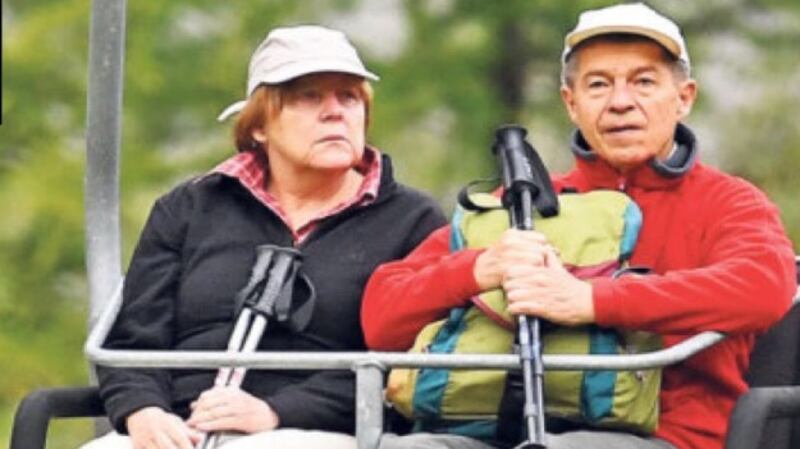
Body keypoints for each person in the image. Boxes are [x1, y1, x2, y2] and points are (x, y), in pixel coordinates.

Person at [361, 3, 797, 449]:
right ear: (571, 103)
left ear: (684, 97)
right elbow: (382, 316)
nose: (621, 102)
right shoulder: (516, 207)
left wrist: (589, 300)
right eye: (598, 85)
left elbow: (766, 285)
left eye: (644, 82)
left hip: (664, 436)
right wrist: (480, 269)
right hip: (495, 431)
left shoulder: (728, 201)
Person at [82, 25, 446, 449]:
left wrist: (276, 412)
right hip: (180, 424)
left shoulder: (413, 221)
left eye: (348, 96)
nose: (335, 111)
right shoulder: (190, 207)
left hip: (327, 431)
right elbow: (133, 339)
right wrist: (142, 411)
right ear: (259, 125)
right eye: (308, 96)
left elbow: (413, 366)